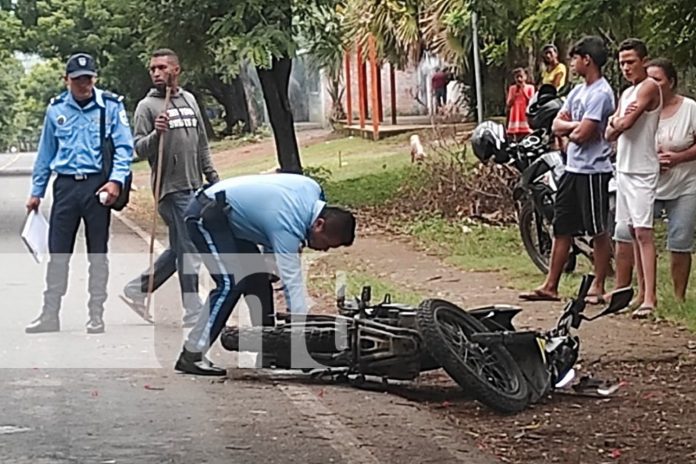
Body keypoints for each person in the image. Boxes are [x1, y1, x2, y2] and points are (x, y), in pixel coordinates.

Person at [174, 173, 356, 376]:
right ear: (319, 224)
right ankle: (192, 354)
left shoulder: (314, 190)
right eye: (327, 244)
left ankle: (270, 352)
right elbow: (292, 285)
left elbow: (269, 220)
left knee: (258, 281)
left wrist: (269, 261)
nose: (324, 250)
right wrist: (301, 339)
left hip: (232, 221)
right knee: (230, 283)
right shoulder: (288, 224)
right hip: (207, 214)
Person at [25, 53, 134, 334]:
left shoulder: (110, 106)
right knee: (58, 252)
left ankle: (96, 314)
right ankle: (50, 314)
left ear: (94, 79)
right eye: (77, 80)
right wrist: (36, 191)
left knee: (98, 253)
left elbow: (124, 148)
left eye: (88, 79)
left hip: (98, 186)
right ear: (67, 80)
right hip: (65, 187)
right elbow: (45, 153)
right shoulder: (56, 109)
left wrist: (116, 181)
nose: (83, 85)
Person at [120, 48, 219, 327]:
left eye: (162, 68)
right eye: (153, 69)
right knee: (189, 248)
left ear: (176, 69)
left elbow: (201, 144)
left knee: (180, 248)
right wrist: (156, 134)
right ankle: (191, 309)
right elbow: (138, 148)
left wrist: (212, 177)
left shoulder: (189, 100)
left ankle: (136, 290)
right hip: (170, 189)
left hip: (195, 185)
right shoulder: (146, 107)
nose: (156, 73)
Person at [519, 36, 614, 303]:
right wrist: (575, 127)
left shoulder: (601, 93)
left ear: (588, 60)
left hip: (593, 171)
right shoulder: (577, 91)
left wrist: (573, 128)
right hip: (572, 168)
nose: (571, 63)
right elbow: (557, 126)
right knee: (562, 227)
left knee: (597, 228)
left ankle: (598, 283)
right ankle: (551, 284)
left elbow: (584, 134)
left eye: (575, 58)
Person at [612, 58, 696, 314]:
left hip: (683, 182)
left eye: (658, 80)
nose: (653, 85)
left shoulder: (690, 108)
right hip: (647, 177)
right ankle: (631, 290)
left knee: (679, 239)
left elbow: (621, 124)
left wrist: (679, 157)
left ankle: (678, 296)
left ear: (671, 82)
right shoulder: (637, 100)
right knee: (628, 232)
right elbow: (620, 130)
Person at [605, 38, 662, 318]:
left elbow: (625, 124)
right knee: (629, 231)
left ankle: (650, 295)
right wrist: (618, 121)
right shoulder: (626, 94)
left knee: (643, 231)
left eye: (631, 62)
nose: (626, 68)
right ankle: (639, 293)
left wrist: (619, 122)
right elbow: (611, 131)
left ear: (644, 61)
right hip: (624, 166)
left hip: (642, 168)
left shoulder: (649, 87)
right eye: (622, 63)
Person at [506, 68, 535, 140]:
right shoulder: (512, 88)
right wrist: (515, 93)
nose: (519, 79)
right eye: (517, 77)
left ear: (525, 77)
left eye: (521, 76)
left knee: (526, 132)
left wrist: (523, 89)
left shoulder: (530, 87)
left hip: (525, 113)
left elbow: (531, 101)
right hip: (515, 114)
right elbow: (509, 103)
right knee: (516, 135)